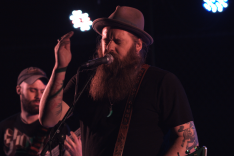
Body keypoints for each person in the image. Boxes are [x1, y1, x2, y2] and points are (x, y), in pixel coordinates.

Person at [39, 6, 199, 156]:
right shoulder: (85, 79)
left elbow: (189, 141)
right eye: (105, 40)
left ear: (138, 45)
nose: (109, 47)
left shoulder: (161, 82)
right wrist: (60, 66)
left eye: (117, 41)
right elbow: (48, 119)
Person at [0, 67, 82, 156]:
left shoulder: (58, 127)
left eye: (43, 91)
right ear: (19, 90)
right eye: (32, 90)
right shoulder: (4, 126)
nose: (39, 96)